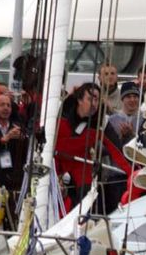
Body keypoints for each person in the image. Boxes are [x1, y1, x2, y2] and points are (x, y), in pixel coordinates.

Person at [55, 82, 131, 213]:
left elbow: (116, 150)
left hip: (81, 167)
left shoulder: (100, 123)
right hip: (56, 167)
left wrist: (132, 173)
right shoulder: (60, 117)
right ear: (79, 100)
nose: (94, 104)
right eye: (90, 99)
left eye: (97, 99)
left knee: (86, 197)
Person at [107, 81, 140, 146]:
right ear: (122, 99)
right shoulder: (112, 120)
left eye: (135, 96)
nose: (132, 100)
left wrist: (132, 134)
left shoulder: (144, 120)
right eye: (128, 97)